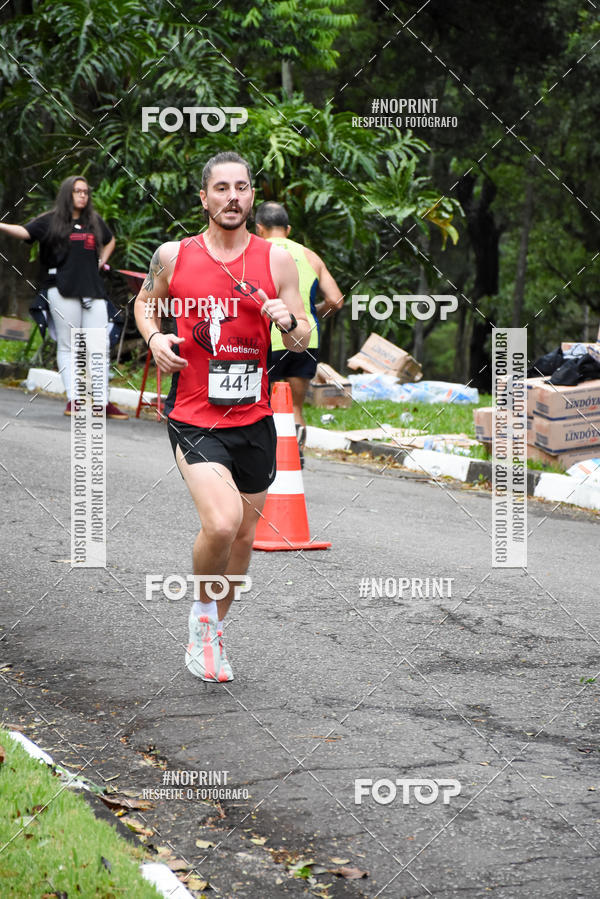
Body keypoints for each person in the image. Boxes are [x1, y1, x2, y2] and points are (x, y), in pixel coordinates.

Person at [133, 151, 310, 683]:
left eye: (242, 187)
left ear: (252, 196)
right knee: (222, 521)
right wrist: (155, 337)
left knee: (244, 538)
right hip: (194, 414)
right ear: (204, 198)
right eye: (222, 188)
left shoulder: (277, 261)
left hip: (254, 418)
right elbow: (144, 302)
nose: (233, 197)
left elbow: (301, 338)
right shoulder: (173, 256)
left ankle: (212, 629)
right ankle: (202, 619)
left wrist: (288, 321)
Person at [0, 175, 128, 418]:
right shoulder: (51, 220)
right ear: (67, 194)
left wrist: (102, 261)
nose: (82, 195)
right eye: (77, 191)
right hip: (61, 288)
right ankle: (75, 400)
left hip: (92, 289)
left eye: (85, 192)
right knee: (69, 345)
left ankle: (102, 402)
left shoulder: (93, 220)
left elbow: (110, 240)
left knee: (98, 346)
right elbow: (25, 231)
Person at [255, 201, 343, 464]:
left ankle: (268, 455)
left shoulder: (255, 251)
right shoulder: (310, 256)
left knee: (263, 403)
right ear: (288, 229)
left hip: (268, 338)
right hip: (305, 337)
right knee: (294, 406)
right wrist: (314, 313)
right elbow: (336, 300)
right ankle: (294, 456)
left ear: (259, 228)